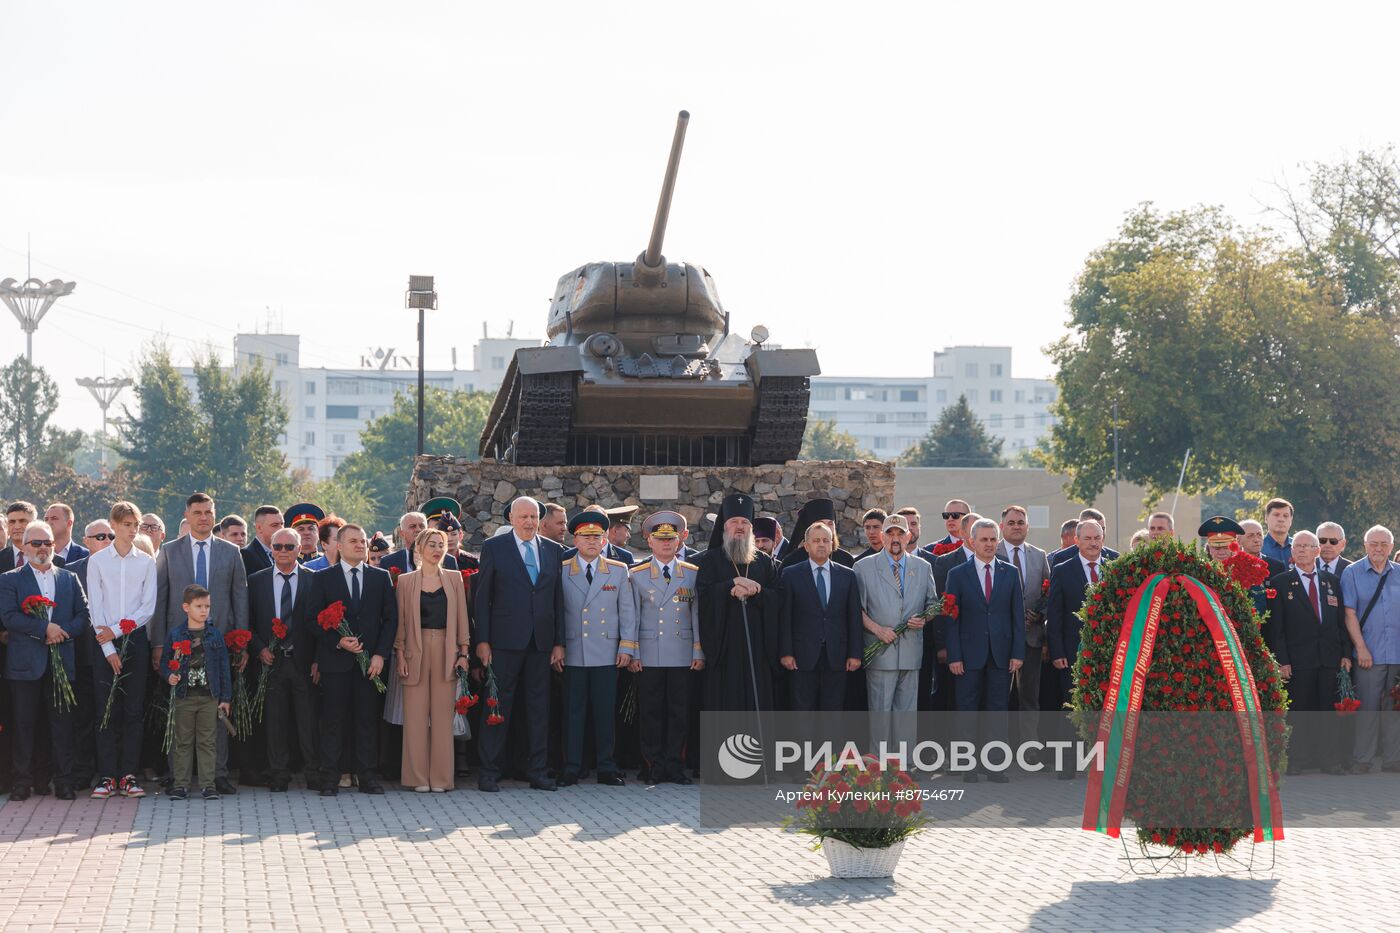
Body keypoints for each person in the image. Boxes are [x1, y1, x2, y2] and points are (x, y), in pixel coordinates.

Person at [152, 492, 249, 796]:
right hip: (179, 643)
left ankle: (217, 774)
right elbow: (161, 598)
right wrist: (158, 643)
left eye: (208, 512)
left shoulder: (231, 552)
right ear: (188, 514)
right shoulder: (169, 551)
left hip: (218, 643)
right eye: (198, 512)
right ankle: (175, 774)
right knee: (178, 708)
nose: (204, 517)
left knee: (217, 707)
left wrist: (242, 640)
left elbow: (240, 597)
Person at [474, 496, 565, 792]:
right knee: (497, 706)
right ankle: (489, 771)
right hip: (503, 643)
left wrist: (559, 643)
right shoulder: (494, 548)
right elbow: (482, 599)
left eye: (533, 517)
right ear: (511, 518)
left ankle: (538, 770)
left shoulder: (553, 550)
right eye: (523, 516)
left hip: (541, 643)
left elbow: (557, 600)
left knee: (539, 709)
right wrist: (483, 641)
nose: (528, 522)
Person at [0, 519, 90, 800]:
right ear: (24, 547)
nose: (42, 548)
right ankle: (22, 782)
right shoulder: (10, 579)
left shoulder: (68, 578)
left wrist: (60, 633)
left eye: (47, 542)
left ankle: (63, 781)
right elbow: (9, 617)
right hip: (24, 664)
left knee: (62, 725)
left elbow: (83, 616)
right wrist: (44, 629)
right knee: (24, 726)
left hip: (61, 659)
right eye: (36, 543)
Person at [307, 524, 397, 795]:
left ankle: (367, 776)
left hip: (370, 664)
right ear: (339, 546)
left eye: (363, 541)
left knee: (367, 720)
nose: (361, 546)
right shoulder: (323, 578)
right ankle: (330, 778)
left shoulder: (380, 578)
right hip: (335, 662)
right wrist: (337, 641)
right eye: (354, 541)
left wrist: (380, 655)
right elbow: (311, 619)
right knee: (333, 721)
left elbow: (390, 620)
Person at [943, 518, 1025, 783]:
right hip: (967, 656)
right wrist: (954, 656)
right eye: (984, 540)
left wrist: (1017, 653)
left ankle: (995, 766)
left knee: (997, 710)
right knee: (967, 710)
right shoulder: (957, 575)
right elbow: (950, 619)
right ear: (972, 542)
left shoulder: (1010, 573)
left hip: (1001, 654)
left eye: (993, 540)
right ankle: (968, 766)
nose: (989, 544)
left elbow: (1017, 616)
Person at [558, 512, 636, 787]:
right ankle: (572, 767)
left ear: (604, 541)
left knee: (605, 712)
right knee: (573, 712)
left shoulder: (617, 569)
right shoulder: (563, 568)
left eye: (597, 537)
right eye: (586, 536)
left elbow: (627, 611)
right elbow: (557, 612)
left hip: (606, 650)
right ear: (575, 540)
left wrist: (627, 646)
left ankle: (606, 766)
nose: (592, 541)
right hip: (574, 651)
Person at [87, 501, 158, 800]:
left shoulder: (146, 562)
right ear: (113, 526)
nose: (131, 530)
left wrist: (117, 632)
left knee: (132, 711)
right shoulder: (98, 561)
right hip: (103, 644)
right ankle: (106, 776)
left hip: (135, 642)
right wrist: (108, 648)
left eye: (134, 525)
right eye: (125, 525)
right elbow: (95, 607)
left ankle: (128, 775)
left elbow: (147, 608)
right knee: (106, 709)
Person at [1265, 531, 1349, 774]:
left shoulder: (1330, 581)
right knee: (1299, 712)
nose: (1301, 550)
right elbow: (1276, 629)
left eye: (1306, 546)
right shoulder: (1280, 582)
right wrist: (1282, 661)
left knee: (1327, 712)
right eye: (1297, 546)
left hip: (1329, 658)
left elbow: (1339, 621)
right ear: (1292, 552)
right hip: (1298, 660)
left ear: (1317, 551)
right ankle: (1298, 759)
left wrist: (1345, 653)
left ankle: (1329, 760)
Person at [394, 527, 471, 792]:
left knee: (442, 718)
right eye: (432, 545)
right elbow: (401, 623)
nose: (438, 549)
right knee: (414, 719)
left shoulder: (454, 578)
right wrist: (400, 653)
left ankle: (441, 779)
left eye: (441, 545)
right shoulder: (405, 581)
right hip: (415, 651)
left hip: (446, 650)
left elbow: (462, 618)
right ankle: (417, 778)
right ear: (420, 549)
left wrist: (463, 652)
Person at [629, 511, 703, 784]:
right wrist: (633, 652)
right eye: (660, 539)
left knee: (679, 713)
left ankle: (675, 765)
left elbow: (696, 614)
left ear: (679, 541)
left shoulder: (692, 574)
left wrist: (698, 650)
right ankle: (652, 765)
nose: (666, 544)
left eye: (671, 539)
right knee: (650, 713)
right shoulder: (636, 574)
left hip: (682, 652)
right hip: (649, 653)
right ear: (649, 541)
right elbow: (632, 617)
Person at [855, 513, 936, 751]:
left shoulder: (923, 567)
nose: (895, 538)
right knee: (880, 713)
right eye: (890, 532)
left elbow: (932, 603)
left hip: (911, 651)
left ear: (909, 536)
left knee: (907, 713)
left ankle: (905, 762)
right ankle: (878, 764)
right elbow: (856, 609)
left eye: (900, 533)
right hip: (881, 652)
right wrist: (877, 629)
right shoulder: (863, 567)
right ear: (882, 536)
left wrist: (925, 617)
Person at [696, 493, 783, 713]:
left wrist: (758, 590)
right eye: (734, 522)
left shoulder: (764, 562)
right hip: (724, 647)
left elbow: (778, 598)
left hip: (758, 647)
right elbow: (702, 598)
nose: (740, 527)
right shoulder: (709, 560)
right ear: (724, 527)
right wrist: (730, 585)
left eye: (745, 522)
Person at [247, 527, 319, 792]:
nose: (283, 552)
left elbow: (322, 625)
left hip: (303, 661)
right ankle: (278, 774)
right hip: (271, 662)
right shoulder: (256, 581)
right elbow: (249, 621)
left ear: (300, 549)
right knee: (274, 722)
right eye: (278, 547)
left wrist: (318, 660)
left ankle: (313, 772)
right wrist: (258, 648)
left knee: (307, 721)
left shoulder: (314, 579)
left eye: (290, 547)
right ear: (271, 550)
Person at [779, 522, 862, 712]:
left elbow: (854, 617)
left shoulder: (847, 576)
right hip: (802, 655)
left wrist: (855, 653)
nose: (822, 544)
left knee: (832, 712)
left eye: (826, 540)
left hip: (837, 656)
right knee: (802, 713)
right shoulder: (791, 575)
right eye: (816, 541)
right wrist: (786, 652)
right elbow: (785, 617)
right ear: (806, 546)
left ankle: (828, 744)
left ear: (832, 544)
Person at [163, 584, 233, 801]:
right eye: (199, 606)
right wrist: (169, 676)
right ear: (186, 607)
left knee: (208, 741)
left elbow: (223, 668)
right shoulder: (176, 633)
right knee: (182, 741)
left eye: (207, 606)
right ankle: (181, 784)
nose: (204, 611)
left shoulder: (214, 635)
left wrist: (225, 698)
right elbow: (165, 662)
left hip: (209, 698)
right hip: (184, 697)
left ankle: (208, 785)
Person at [1339, 525, 1400, 773]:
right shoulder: (1352, 573)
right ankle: (1362, 758)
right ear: (1364, 545)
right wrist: (1361, 648)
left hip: (1396, 654)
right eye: (1373, 543)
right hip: (1368, 654)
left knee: (1394, 709)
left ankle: (1392, 759)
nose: (1378, 548)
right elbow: (1349, 614)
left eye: (1384, 544)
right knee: (1368, 707)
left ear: (1391, 547)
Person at [997, 505, 1051, 743]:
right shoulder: (991, 551)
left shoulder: (1039, 555)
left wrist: (1039, 614)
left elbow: (1049, 593)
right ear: (1002, 526)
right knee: (999, 696)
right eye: (1011, 523)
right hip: (1000, 638)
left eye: (1021, 522)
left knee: (1030, 696)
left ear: (1027, 526)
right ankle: (1000, 747)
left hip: (1031, 637)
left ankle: (1029, 748)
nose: (1016, 527)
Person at [781, 498, 856, 569]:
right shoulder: (791, 562)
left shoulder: (846, 560)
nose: (826, 529)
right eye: (821, 524)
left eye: (830, 524)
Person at [381, 510, 459, 574]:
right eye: (412, 526)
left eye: (422, 526)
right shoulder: (388, 562)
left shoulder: (448, 561)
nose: (418, 530)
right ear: (402, 534)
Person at [1051, 509, 1120, 565]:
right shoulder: (1062, 558)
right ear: (1079, 528)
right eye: (1094, 528)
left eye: (1103, 529)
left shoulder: (1114, 557)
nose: (1100, 532)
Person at [242, 505, 284, 577]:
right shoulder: (246, 555)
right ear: (259, 528)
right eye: (275, 525)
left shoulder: (286, 551)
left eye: (282, 524)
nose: (281, 529)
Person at [2, 501, 39, 573]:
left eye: (22, 521)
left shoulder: (52, 559)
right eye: (12, 522)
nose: (17, 527)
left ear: (35, 524)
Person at [1263, 497, 1294, 566]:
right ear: (1266, 518)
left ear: (1291, 520)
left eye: (1285, 516)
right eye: (1276, 515)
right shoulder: (1258, 548)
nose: (1281, 519)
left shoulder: (1298, 547)